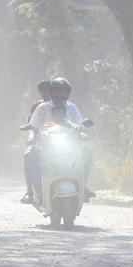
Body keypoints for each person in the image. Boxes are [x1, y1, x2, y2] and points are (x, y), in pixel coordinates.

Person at [22, 77, 92, 205]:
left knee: (87, 151)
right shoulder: (42, 108)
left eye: (64, 91)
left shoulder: (72, 108)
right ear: (51, 91)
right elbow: (33, 126)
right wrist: (32, 137)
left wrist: (82, 133)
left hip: (69, 144)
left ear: (68, 93)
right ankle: (35, 192)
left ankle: (83, 186)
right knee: (30, 155)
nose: (60, 94)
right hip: (46, 144)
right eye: (57, 91)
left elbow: (79, 124)